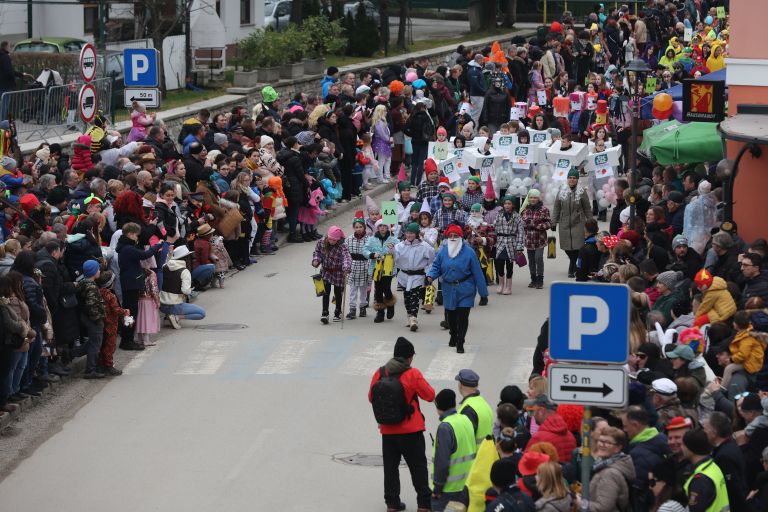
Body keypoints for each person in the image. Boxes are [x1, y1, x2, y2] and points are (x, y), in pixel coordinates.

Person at [369, 337, 435, 512]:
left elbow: (371, 397)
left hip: (388, 430)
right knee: (418, 467)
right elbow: (430, 395)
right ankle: (424, 504)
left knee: (390, 469)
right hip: (411, 430)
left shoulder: (380, 372)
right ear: (409, 357)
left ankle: (392, 504)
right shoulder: (412, 374)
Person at [426, 224, 489, 353]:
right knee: (451, 317)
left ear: (461, 237)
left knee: (463, 317)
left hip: (466, 288)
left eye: (456, 235)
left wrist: (483, 293)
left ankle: (460, 341)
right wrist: (430, 276)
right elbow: (436, 266)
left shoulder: (469, 252)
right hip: (448, 288)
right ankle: (453, 334)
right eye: (450, 236)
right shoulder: (443, 251)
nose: (453, 238)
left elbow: (477, 272)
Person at [431, 388, 476, 511]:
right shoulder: (465, 419)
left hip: (448, 489)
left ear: (438, 406)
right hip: (466, 484)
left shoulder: (445, 427)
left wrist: (437, 488)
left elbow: (442, 463)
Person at [622, 405, 672, 510]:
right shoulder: (662, 439)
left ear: (635, 425)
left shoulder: (638, 454)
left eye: (625, 426)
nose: (624, 429)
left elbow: (639, 494)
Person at [576, 426, 636, 512]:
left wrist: (580, 503)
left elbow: (603, 508)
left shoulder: (610, 474)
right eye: (600, 441)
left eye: (607, 442)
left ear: (618, 448)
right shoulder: (605, 465)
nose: (601, 445)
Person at [552, 168, 593, 278]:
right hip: (564, 222)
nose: (572, 180)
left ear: (577, 179)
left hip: (578, 222)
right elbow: (556, 207)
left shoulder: (581, 191)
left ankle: (571, 267)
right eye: (570, 177)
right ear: (567, 179)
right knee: (566, 247)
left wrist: (591, 222)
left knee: (578, 246)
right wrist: (553, 222)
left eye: (574, 178)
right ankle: (574, 263)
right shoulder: (561, 190)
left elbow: (587, 208)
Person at [394, 222, 435, 331]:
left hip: (417, 275)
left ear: (416, 234)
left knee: (415, 297)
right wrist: (391, 250)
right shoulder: (400, 246)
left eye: (412, 233)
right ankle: (409, 315)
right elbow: (395, 258)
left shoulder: (423, 246)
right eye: (408, 232)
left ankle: (413, 318)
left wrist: (425, 266)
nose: (409, 235)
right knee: (407, 297)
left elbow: (431, 256)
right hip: (404, 275)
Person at [704, 411, 748, 511]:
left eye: (705, 429)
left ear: (714, 433)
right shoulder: (728, 446)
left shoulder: (724, 456)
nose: (704, 432)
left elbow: (733, 490)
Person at [682, 429, 731, 512]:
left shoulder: (700, 480)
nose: (682, 448)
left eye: (684, 445)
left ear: (691, 449)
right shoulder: (713, 466)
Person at [159, 245, 207, 328]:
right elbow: (185, 291)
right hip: (174, 305)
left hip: (162, 305)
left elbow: (167, 261)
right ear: (186, 258)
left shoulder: (165, 266)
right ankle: (176, 317)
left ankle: (169, 317)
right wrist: (191, 289)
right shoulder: (184, 271)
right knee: (201, 313)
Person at [311, 225, 352, 324]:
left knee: (338, 292)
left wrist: (346, 267)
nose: (332, 241)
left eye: (334, 240)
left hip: (338, 271)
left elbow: (347, 257)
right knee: (325, 292)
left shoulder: (343, 245)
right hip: (326, 271)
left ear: (338, 239)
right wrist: (316, 260)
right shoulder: (321, 242)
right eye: (330, 239)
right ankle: (325, 313)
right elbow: (317, 252)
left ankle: (338, 311)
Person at [73, 260, 105, 379]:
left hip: (86, 317)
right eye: (97, 269)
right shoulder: (91, 286)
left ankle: (71, 353)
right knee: (96, 343)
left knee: (93, 342)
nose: (99, 271)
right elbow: (91, 304)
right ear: (93, 272)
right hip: (92, 319)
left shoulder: (83, 283)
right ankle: (90, 369)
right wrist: (97, 319)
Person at [524, 394, 576, 462]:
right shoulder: (570, 436)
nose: (533, 415)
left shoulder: (539, 438)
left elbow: (525, 464)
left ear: (541, 411)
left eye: (533, 410)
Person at [364, 220, 398, 324]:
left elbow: (400, 252)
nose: (382, 228)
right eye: (380, 226)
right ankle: (380, 312)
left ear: (388, 228)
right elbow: (364, 250)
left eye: (384, 226)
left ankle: (390, 304)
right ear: (377, 228)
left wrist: (393, 250)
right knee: (378, 289)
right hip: (376, 268)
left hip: (388, 268)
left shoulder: (393, 239)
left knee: (386, 287)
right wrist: (372, 254)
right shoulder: (372, 239)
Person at [493, 196, 525, 295]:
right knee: (499, 264)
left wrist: (519, 246)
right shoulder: (499, 215)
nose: (507, 205)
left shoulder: (517, 217)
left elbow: (521, 232)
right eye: (505, 203)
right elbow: (494, 227)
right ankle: (501, 284)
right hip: (500, 242)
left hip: (511, 243)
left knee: (509, 265)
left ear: (513, 205)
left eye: (509, 203)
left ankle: (508, 286)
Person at [454, 369, 494, 446]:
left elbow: (464, 439)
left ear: (460, 385)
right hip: (487, 451)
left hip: (475, 453)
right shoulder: (483, 403)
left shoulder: (468, 409)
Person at [521, 189, 551, 290]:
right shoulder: (525, 210)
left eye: (535, 197)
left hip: (540, 239)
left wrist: (538, 226)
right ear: (528, 198)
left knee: (538, 258)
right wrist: (525, 224)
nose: (533, 199)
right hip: (529, 239)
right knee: (531, 260)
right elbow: (522, 223)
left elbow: (549, 223)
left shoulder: (544, 210)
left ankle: (540, 279)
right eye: (531, 197)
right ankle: (533, 279)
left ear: (538, 198)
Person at [346, 217, 371, 320]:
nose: (358, 229)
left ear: (364, 227)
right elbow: (346, 253)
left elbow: (371, 254)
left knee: (364, 289)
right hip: (353, 266)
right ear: (353, 228)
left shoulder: (369, 240)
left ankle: (363, 307)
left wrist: (369, 266)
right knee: (353, 289)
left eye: (360, 227)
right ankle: (352, 309)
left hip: (365, 266)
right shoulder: (349, 239)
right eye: (356, 227)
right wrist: (346, 264)